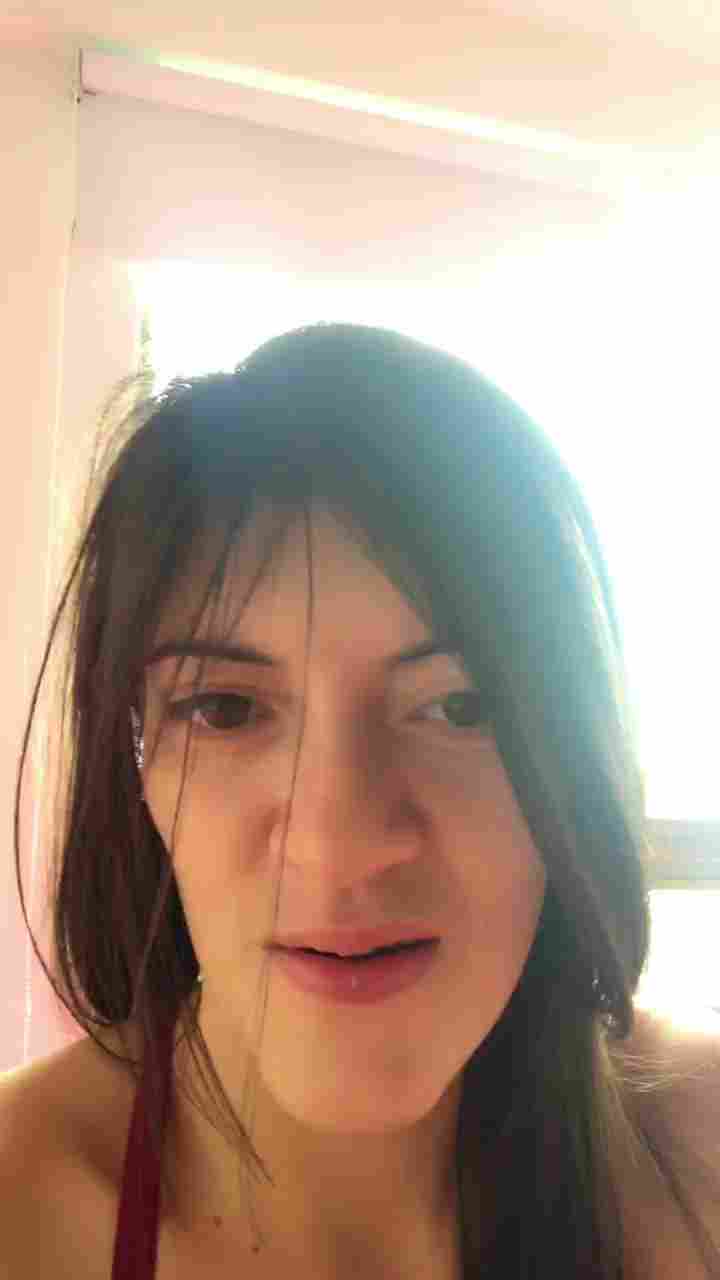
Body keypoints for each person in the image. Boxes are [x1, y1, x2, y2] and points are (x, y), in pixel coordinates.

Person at [2, 322, 719, 1278]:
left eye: (461, 707)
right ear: (137, 771)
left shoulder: (700, 1152)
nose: (336, 847)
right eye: (225, 708)